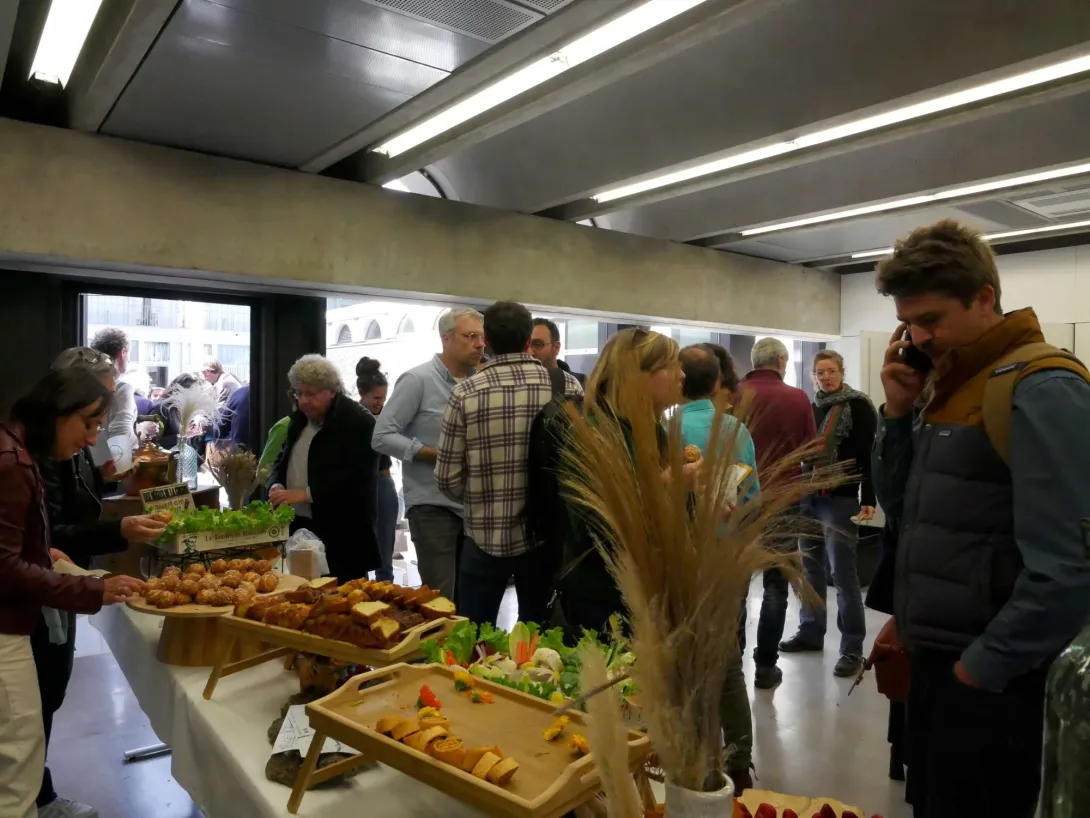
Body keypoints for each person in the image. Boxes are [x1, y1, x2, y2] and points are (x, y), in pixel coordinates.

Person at [872, 220, 1090, 818]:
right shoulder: (945, 386)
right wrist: (896, 413)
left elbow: (1070, 568)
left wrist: (979, 670)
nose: (918, 337)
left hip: (995, 679)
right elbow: (903, 512)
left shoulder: (1043, 387)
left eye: (932, 320)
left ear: (985, 298)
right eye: (909, 322)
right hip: (937, 665)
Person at [0, 368, 145, 818]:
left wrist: (43, 549)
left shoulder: (17, 449)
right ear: (58, 411)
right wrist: (90, 588)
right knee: (17, 761)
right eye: (89, 425)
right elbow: (4, 568)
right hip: (6, 628)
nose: (91, 439)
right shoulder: (13, 462)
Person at [36, 349, 167, 818]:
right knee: (40, 692)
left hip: (61, 586)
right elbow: (49, 538)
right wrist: (116, 533)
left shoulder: (65, 447)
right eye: (93, 413)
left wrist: (121, 526)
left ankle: (38, 791)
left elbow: (73, 513)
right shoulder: (34, 455)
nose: (99, 425)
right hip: (44, 593)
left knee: (49, 688)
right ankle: (36, 796)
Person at [436, 301, 582, 626]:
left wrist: (480, 498)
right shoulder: (565, 386)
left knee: (473, 638)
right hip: (545, 536)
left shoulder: (465, 393)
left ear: (485, 340)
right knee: (541, 640)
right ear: (529, 340)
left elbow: (446, 478)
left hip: (483, 536)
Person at [556, 328, 684, 635]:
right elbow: (599, 527)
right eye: (670, 366)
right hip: (605, 600)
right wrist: (665, 486)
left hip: (650, 594)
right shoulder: (596, 437)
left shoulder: (656, 433)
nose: (681, 375)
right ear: (635, 376)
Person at [677, 344, 759, 791]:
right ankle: (740, 762)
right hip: (726, 558)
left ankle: (692, 756)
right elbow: (750, 497)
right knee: (726, 661)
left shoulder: (662, 427)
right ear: (716, 384)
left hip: (674, 560)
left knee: (680, 659)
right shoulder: (734, 430)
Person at [372, 308, 485, 600]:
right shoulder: (417, 380)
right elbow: (382, 437)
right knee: (441, 599)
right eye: (470, 336)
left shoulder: (481, 383)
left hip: (475, 507)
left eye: (481, 337)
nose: (479, 344)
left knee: (472, 598)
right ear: (446, 338)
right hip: (432, 504)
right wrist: (436, 454)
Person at [780, 350, 876, 678]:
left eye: (831, 371)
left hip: (841, 498)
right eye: (820, 372)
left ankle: (852, 649)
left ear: (842, 371)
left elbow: (867, 455)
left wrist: (870, 497)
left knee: (844, 575)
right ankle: (810, 632)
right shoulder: (812, 406)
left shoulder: (859, 405)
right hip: (809, 495)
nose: (826, 377)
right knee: (810, 569)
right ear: (813, 376)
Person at [735, 337, 817, 689]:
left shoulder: (733, 396)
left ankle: (730, 663)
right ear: (782, 360)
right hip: (784, 497)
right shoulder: (798, 398)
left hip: (738, 497)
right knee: (775, 584)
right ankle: (766, 667)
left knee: (734, 581)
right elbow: (809, 449)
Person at [270, 355, 380, 581]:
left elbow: (358, 478)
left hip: (342, 535)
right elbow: (282, 459)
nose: (303, 401)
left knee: (341, 603)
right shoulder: (300, 418)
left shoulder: (358, 422)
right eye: (299, 393)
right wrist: (277, 483)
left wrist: (306, 494)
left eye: (310, 394)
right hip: (300, 527)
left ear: (332, 390)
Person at [357, 358, 396, 584]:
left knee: (385, 545)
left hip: (384, 481)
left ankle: (386, 591)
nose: (380, 402)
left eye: (383, 397)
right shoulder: (353, 416)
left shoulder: (387, 415)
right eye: (376, 398)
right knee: (361, 544)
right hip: (362, 484)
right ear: (362, 393)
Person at [88, 328, 136, 475]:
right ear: (122, 353)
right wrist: (125, 469)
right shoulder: (121, 389)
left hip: (89, 468)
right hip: (112, 471)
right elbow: (120, 431)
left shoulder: (86, 384)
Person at [530, 318, 586, 386]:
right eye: (526, 346)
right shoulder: (521, 383)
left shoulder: (579, 384)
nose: (530, 352)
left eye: (537, 344)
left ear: (556, 348)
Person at [214, 383, 251, 450]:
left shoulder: (240, 393)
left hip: (241, 455)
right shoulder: (273, 392)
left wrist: (209, 428)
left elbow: (220, 431)